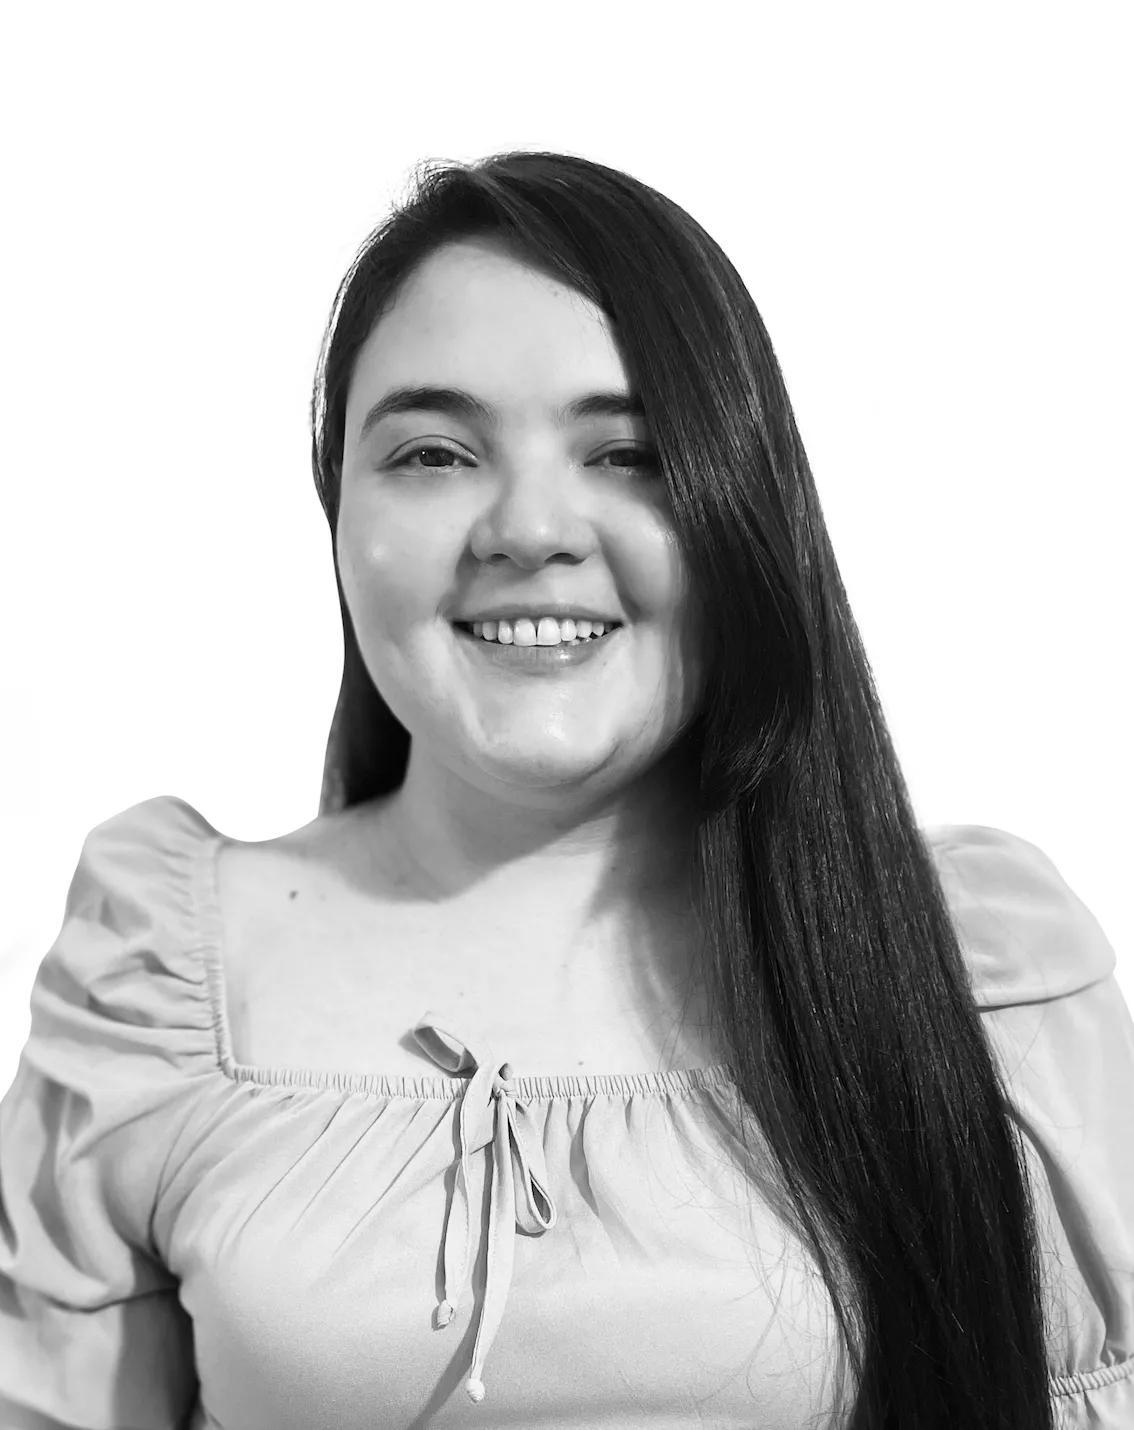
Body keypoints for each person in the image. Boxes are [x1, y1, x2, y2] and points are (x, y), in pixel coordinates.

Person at [1, 151, 1131, 1430]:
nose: (530, 529)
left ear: (749, 508)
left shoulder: (979, 966)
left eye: (629, 452)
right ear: (338, 515)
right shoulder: (156, 973)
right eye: (434, 453)